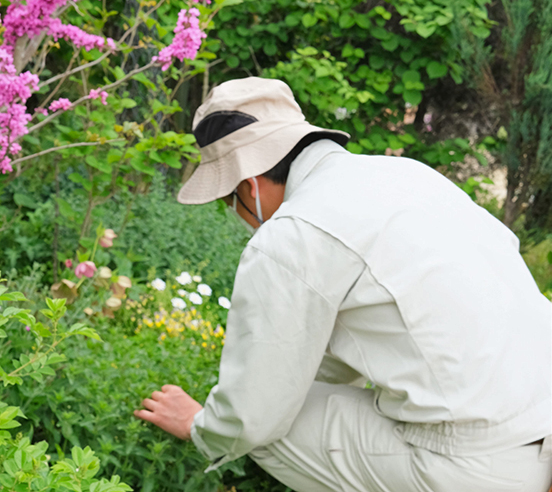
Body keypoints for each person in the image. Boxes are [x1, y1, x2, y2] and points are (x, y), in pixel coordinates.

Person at [133, 77, 552, 492]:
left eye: (228, 199)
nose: (234, 210)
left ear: (248, 185)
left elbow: (255, 411)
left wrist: (200, 426)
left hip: (478, 465)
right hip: (540, 427)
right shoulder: (407, 175)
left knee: (270, 428)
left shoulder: (292, 233)